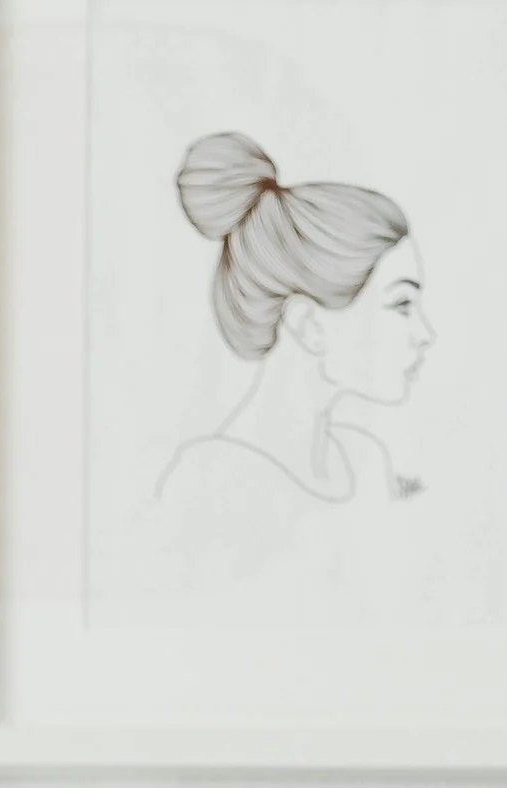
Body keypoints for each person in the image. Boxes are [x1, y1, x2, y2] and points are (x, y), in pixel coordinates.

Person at [157, 130, 433, 514]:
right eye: (402, 304)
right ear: (309, 325)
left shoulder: (363, 458)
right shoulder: (209, 488)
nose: (425, 335)